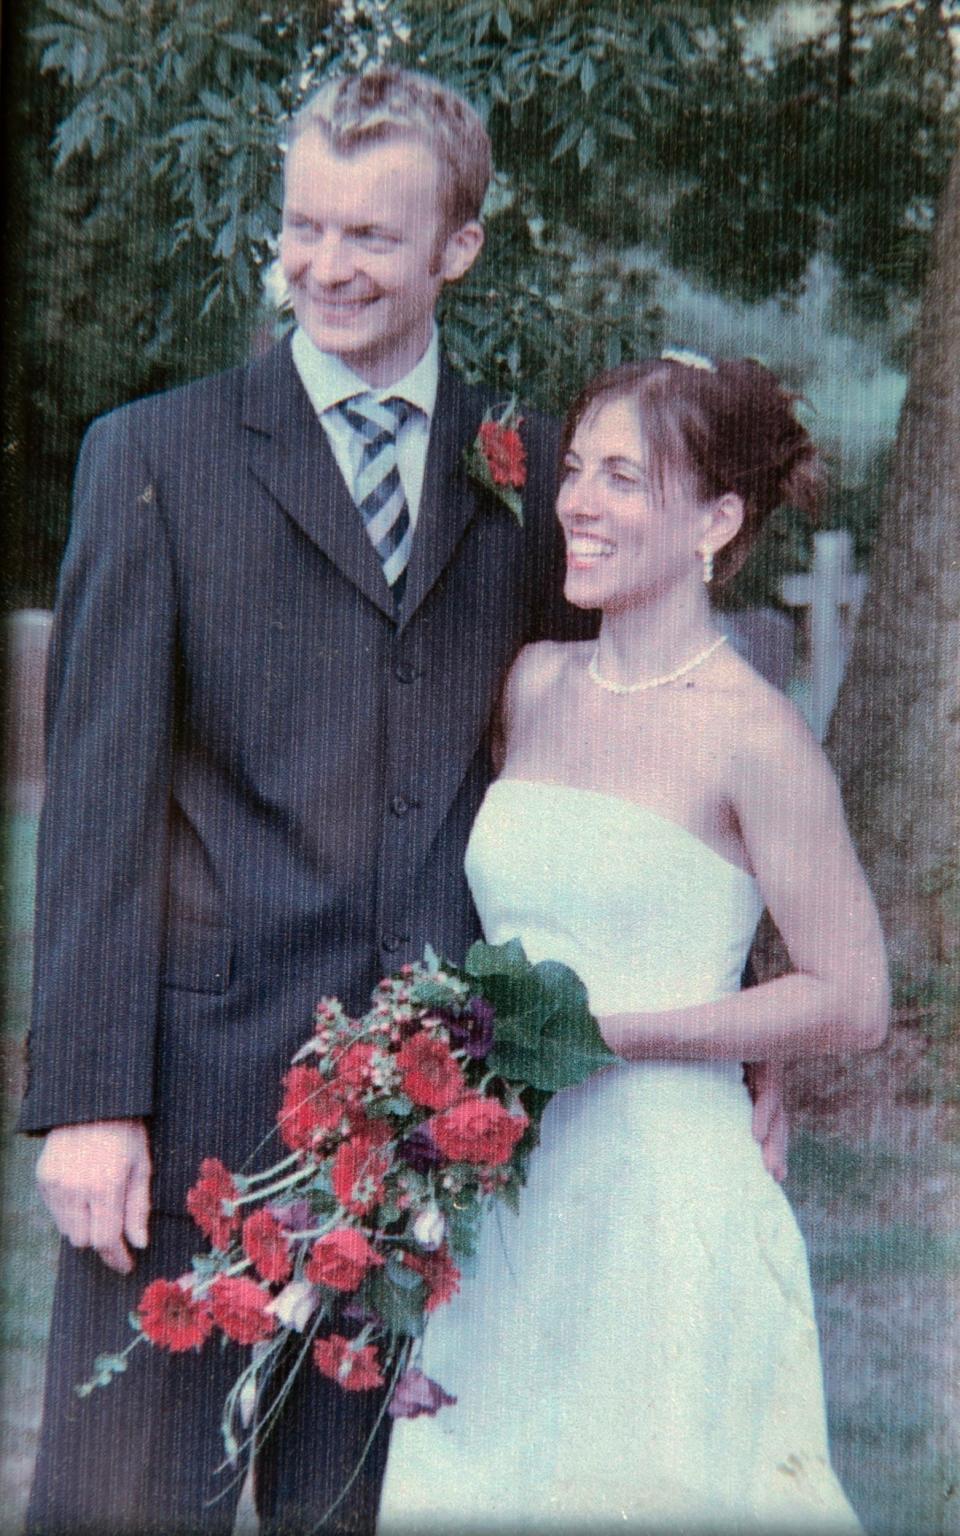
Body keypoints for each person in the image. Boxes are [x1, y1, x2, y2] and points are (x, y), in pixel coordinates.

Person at [18, 67, 784, 1535]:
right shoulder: (157, 460)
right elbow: (99, 806)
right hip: (194, 1095)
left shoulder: (533, 470)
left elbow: (623, 753)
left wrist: (745, 1025)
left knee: (369, 1504)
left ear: (458, 250)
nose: (327, 265)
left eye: (373, 235)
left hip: (438, 1116)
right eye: (305, 226)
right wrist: (91, 1101)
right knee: (125, 1504)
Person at [377, 355, 890, 1532]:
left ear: (716, 521)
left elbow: (854, 997)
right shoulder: (533, 685)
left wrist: (609, 1035)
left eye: (623, 477)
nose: (578, 504)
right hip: (505, 1198)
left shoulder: (756, 737)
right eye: (573, 472)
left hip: (662, 1201)